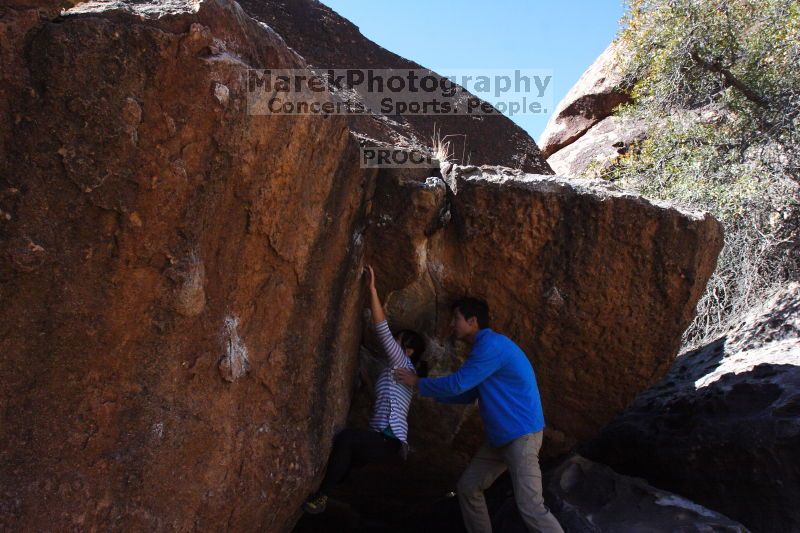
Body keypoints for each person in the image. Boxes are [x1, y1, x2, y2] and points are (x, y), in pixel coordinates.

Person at [395, 297, 563, 533]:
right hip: (500, 438)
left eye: (456, 318)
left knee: (531, 506)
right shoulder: (485, 349)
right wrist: (424, 391)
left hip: (522, 436)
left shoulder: (491, 346)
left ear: (472, 321)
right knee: (468, 487)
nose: (452, 324)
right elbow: (470, 392)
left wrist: (418, 382)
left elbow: (458, 384)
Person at [302, 265, 427, 514]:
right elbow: (385, 400)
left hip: (388, 441)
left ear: (408, 350)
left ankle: (323, 497)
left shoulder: (402, 362)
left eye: (399, 340)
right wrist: (368, 382)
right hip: (385, 442)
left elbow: (382, 329)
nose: (394, 342)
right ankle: (332, 490)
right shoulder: (398, 374)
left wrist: (371, 289)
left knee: (346, 440)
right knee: (347, 460)